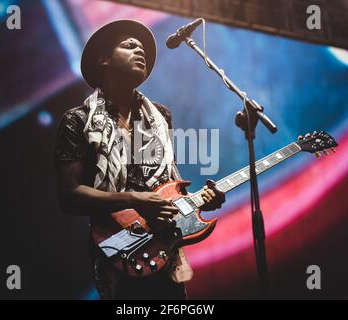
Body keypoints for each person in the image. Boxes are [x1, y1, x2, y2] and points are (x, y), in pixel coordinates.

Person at [54, 20, 225, 300]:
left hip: (163, 248)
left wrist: (203, 198)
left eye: (143, 48)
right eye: (129, 45)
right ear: (104, 59)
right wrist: (134, 200)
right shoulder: (78, 121)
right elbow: (69, 196)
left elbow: (166, 187)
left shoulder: (159, 117)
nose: (140, 51)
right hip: (118, 247)